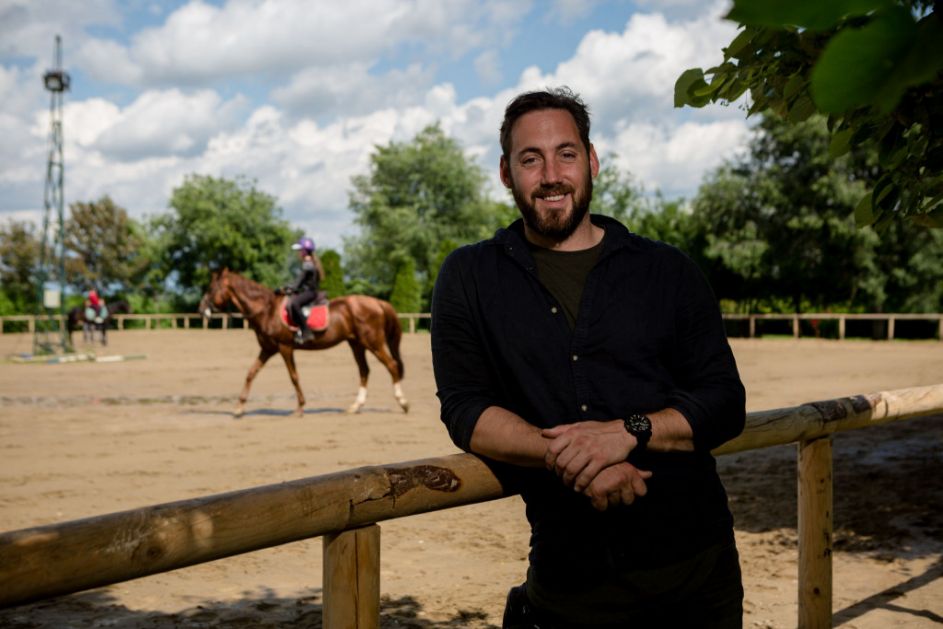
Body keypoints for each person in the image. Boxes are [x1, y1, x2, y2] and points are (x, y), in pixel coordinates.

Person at [431, 87, 746, 627]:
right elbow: (465, 409)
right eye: (531, 159)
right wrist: (573, 459)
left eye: (566, 154)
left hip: (698, 579)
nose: (551, 174)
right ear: (507, 173)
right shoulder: (468, 277)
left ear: (592, 161)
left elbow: (723, 402)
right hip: (570, 585)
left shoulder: (667, 270)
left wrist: (629, 430)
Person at [287, 236, 325, 343]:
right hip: (308, 291)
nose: (298, 253)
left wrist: (290, 288)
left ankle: (306, 331)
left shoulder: (308, 264)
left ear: (304, 251)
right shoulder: (311, 262)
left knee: (294, 304)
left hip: (310, 292)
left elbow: (300, 280)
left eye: (300, 251)